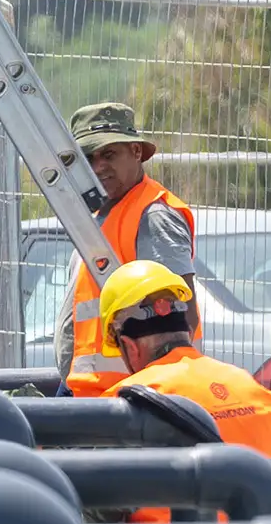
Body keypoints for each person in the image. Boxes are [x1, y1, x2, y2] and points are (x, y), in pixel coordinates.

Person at [56, 101, 197, 396]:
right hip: (95, 393)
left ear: (135, 152)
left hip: (132, 398)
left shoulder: (152, 215)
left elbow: (181, 317)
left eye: (109, 154)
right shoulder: (100, 216)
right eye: (88, 158)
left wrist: (154, 397)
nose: (98, 167)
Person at [99, 260, 271, 463]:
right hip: (267, 493)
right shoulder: (244, 382)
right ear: (186, 331)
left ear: (130, 347)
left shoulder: (129, 399)